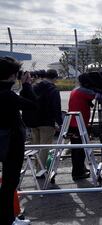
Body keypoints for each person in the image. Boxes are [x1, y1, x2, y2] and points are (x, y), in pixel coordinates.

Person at [0, 56, 36, 225]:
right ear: (12, 76)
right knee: (9, 183)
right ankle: (8, 220)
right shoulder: (7, 95)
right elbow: (33, 105)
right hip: (11, 143)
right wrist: (27, 85)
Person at [22, 69, 62, 176]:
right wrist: (60, 122)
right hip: (47, 122)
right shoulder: (53, 89)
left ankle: (37, 169)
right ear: (55, 78)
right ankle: (41, 171)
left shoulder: (34, 87)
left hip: (34, 122)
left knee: (36, 146)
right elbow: (56, 107)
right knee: (44, 147)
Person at [67, 74, 96, 180]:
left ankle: (81, 168)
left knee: (78, 149)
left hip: (75, 123)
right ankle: (77, 172)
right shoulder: (84, 91)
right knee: (78, 150)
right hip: (78, 124)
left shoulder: (77, 90)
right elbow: (97, 95)